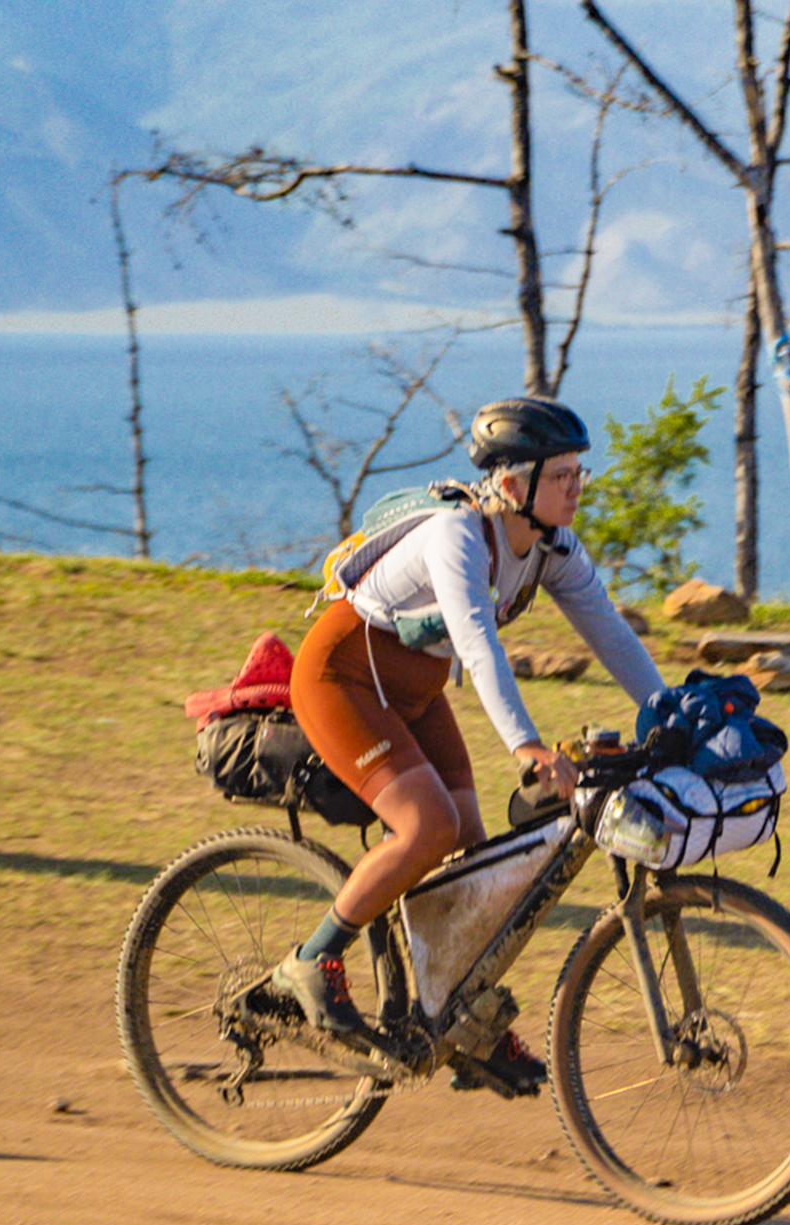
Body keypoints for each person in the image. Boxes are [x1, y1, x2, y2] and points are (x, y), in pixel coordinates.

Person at [273, 396, 665, 1089]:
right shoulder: (458, 538)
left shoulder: (552, 547)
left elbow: (610, 632)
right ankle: (313, 958)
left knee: (477, 860)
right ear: (512, 485)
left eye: (581, 472)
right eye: (561, 475)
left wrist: (668, 712)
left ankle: (458, 1023)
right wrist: (526, 746)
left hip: (415, 688)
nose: (577, 487)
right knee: (428, 828)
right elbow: (480, 649)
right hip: (342, 675)